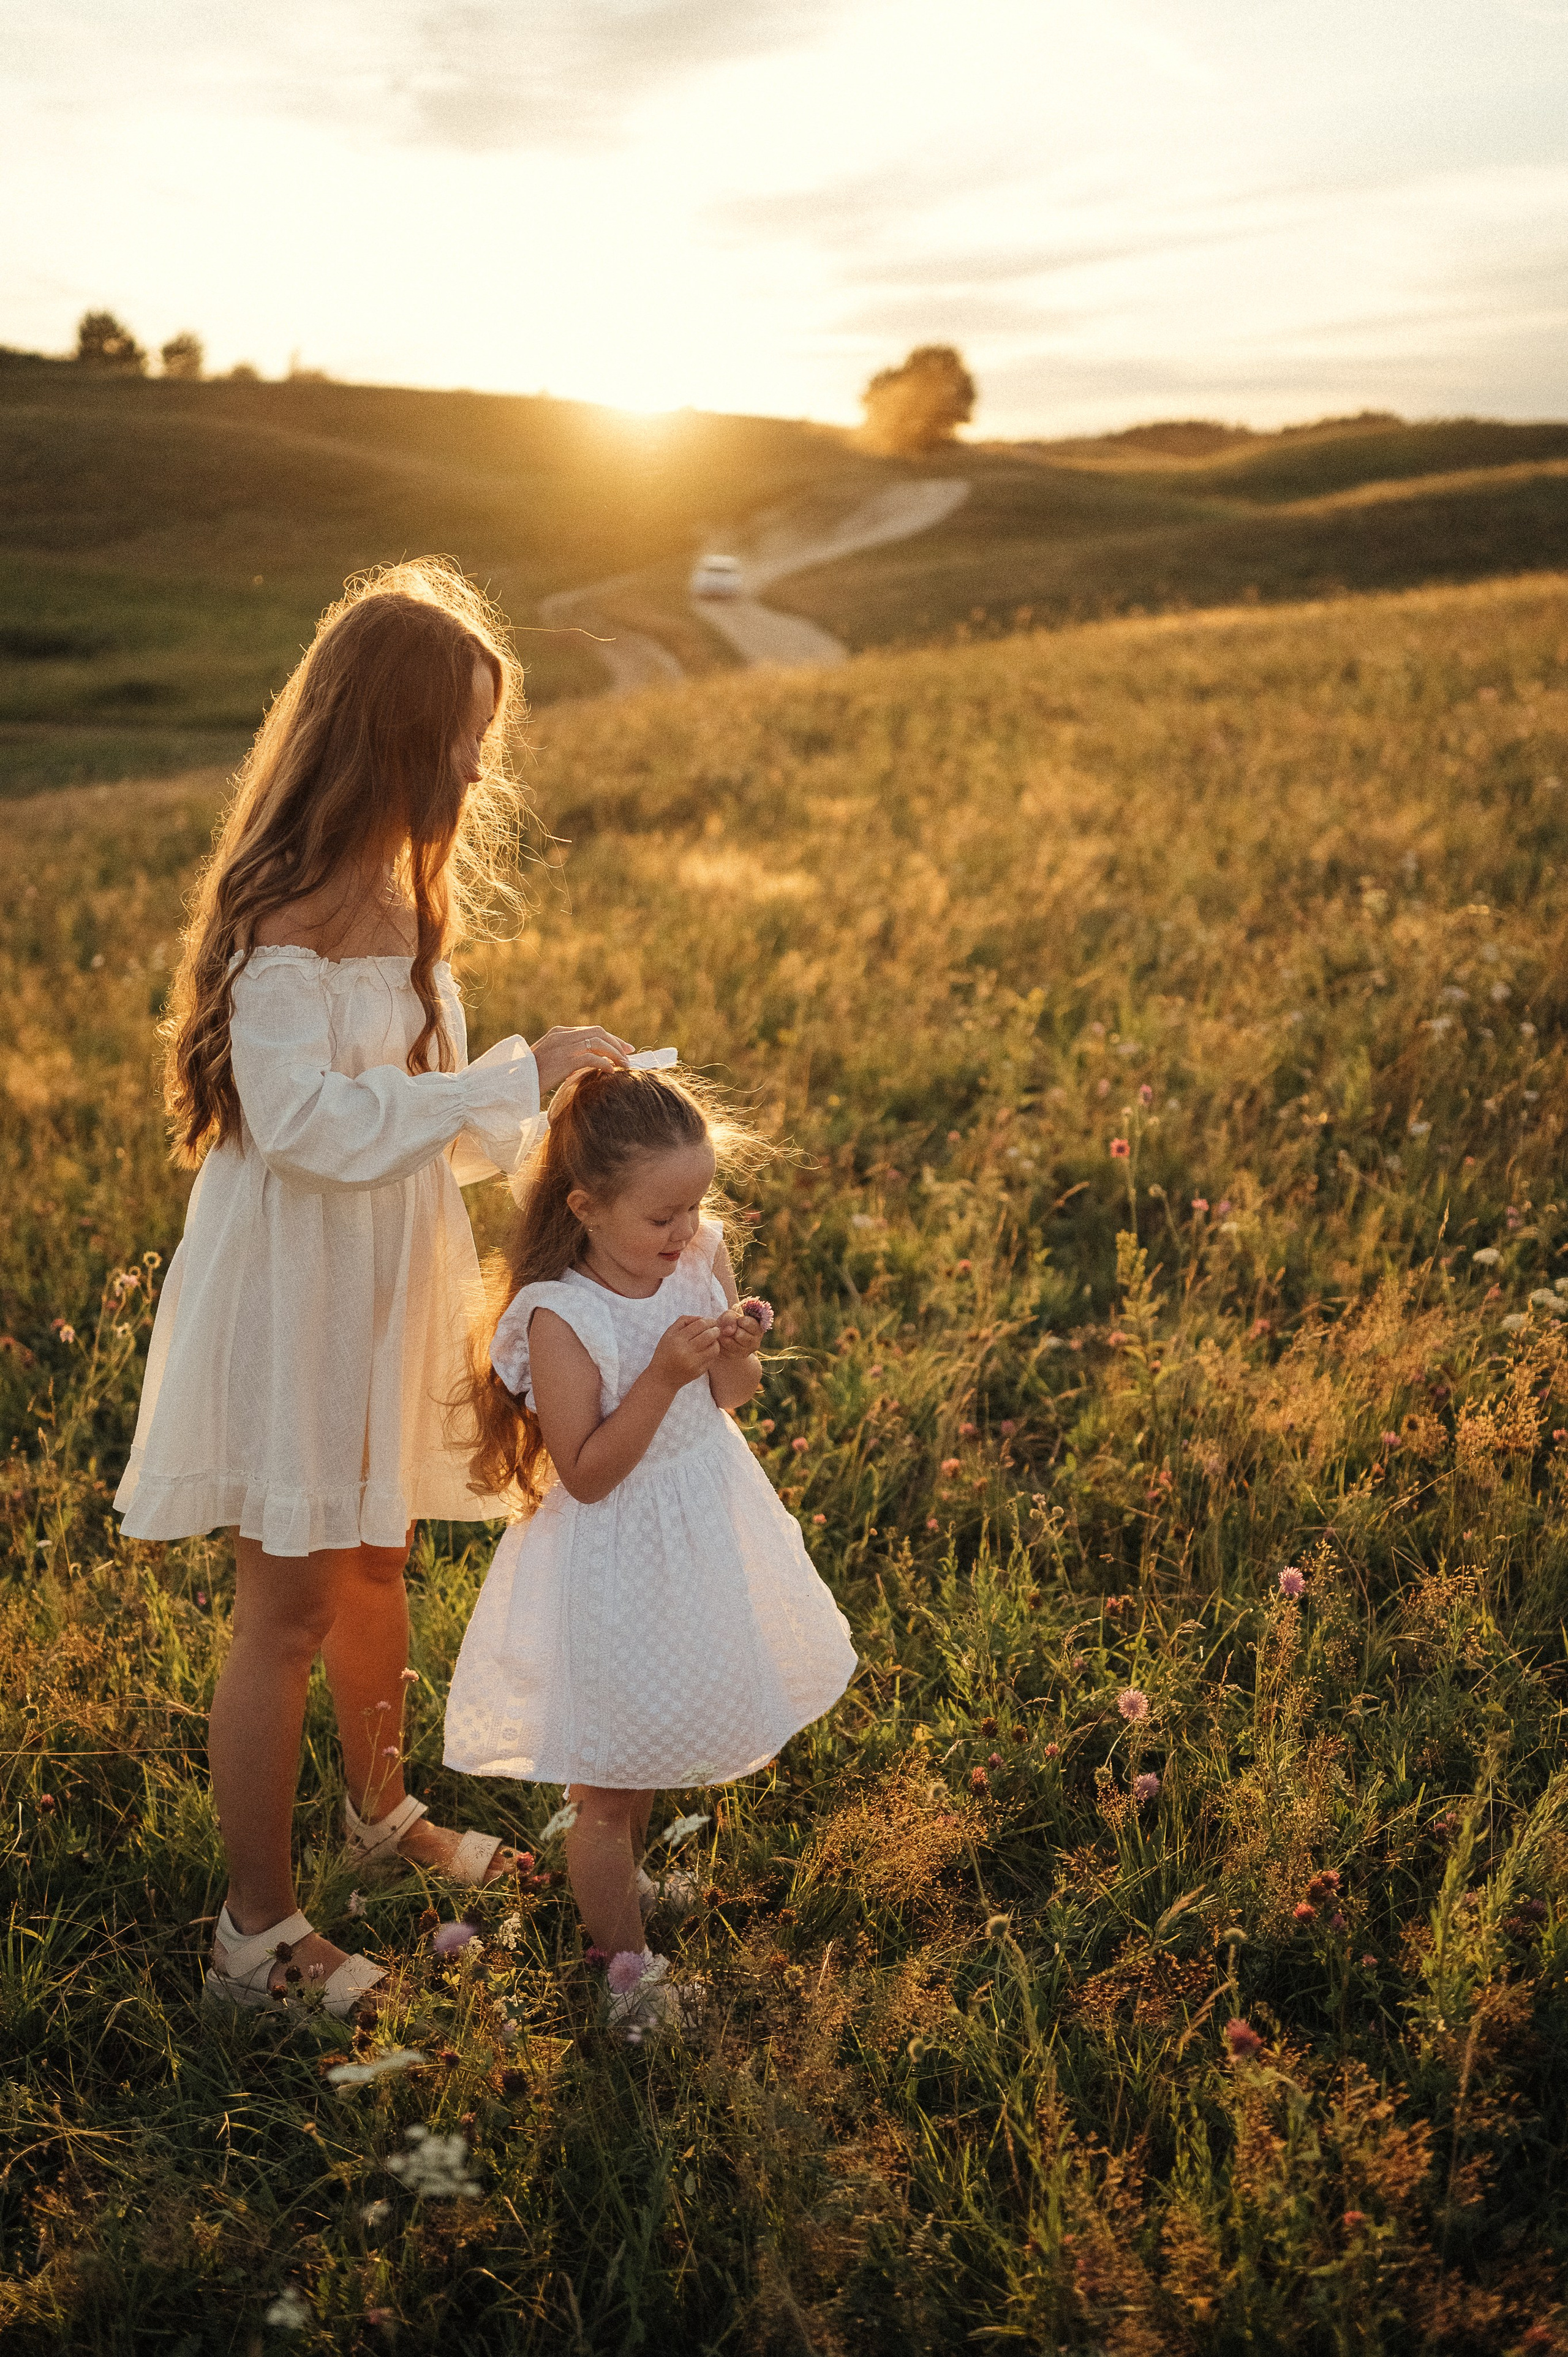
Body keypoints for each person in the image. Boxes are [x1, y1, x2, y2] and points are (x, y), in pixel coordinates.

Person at [115, 559, 635, 2016]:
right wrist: (487, 1081)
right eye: (459, 734)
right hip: (294, 1290)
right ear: (380, 736)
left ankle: (380, 1806)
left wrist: (538, 1084)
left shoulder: (414, 906)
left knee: (377, 1564)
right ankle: (254, 1935)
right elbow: (304, 1129)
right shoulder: (281, 913)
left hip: (389, 1273)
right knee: (283, 1608)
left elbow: (453, 1137)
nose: (478, 763)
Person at [445, 1063, 857, 2037]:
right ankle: (625, 1975)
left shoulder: (695, 1254)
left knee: (652, 1737)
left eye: (695, 1206)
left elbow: (736, 1395)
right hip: (615, 1562)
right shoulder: (561, 1315)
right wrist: (666, 1375)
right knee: (606, 1782)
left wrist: (735, 1341)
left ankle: (622, 1887)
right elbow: (586, 1472)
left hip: (700, 1527)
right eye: (662, 1216)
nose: (685, 1233)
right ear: (586, 1207)